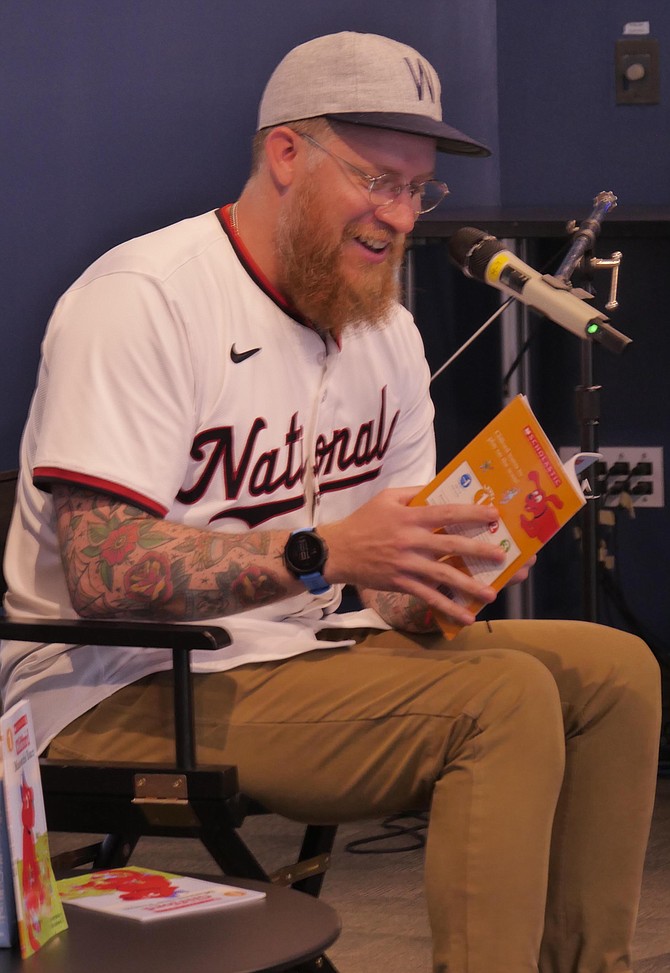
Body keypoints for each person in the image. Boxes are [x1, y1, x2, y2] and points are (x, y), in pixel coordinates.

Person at [0, 30, 660, 973]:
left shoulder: (383, 327)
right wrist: (325, 554)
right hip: (121, 684)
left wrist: (456, 561)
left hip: (301, 653)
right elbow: (105, 573)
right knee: (502, 696)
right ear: (285, 154)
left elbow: (389, 590)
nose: (399, 215)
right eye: (374, 178)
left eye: (417, 188)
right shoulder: (143, 299)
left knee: (617, 671)